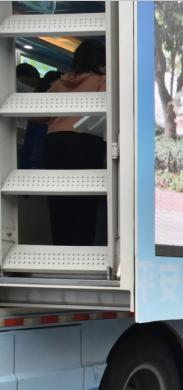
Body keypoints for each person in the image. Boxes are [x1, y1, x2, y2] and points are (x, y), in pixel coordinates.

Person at [43, 39, 107, 246]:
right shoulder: (101, 81)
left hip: (55, 144)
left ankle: (61, 251)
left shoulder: (58, 84)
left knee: (58, 203)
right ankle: (82, 253)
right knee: (84, 203)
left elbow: (37, 115)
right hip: (85, 144)